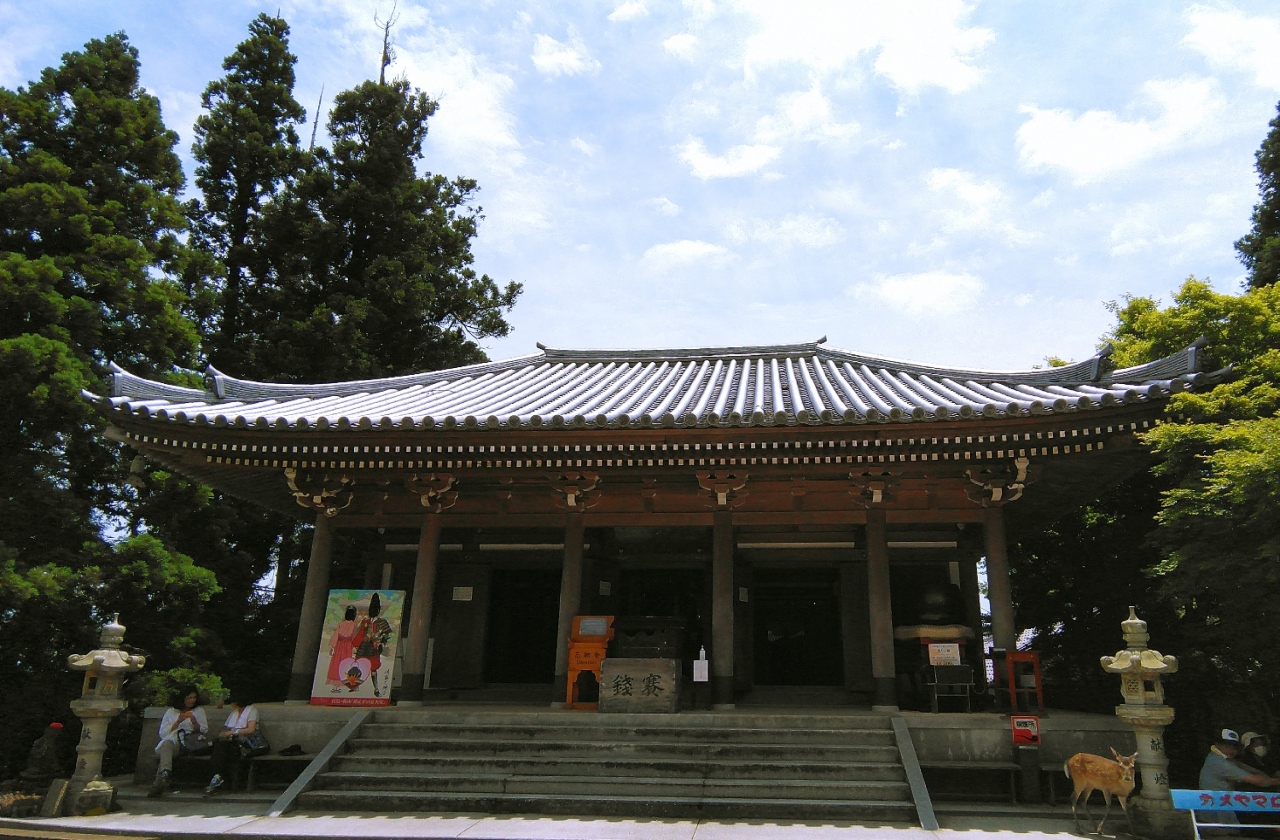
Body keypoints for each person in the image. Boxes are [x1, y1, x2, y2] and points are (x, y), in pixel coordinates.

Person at [1197, 729, 1280, 829]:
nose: (1234, 750)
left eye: (1235, 745)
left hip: (1225, 807)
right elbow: (1256, 780)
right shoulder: (1219, 762)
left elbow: (1252, 770)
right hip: (1216, 813)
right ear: (1219, 744)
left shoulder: (1224, 758)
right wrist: (1275, 781)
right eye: (1229, 745)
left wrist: (1266, 777)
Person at [149, 686, 208, 797]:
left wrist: (194, 721)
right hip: (172, 742)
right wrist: (178, 722)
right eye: (189, 697)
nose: (192, 700)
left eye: (194, 697)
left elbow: (203, 730)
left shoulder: (199, 711)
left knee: (166, 749)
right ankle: (164, 775)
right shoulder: (171, 712)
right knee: (167, 744)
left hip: (187, 744)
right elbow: (163, 734)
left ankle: (163, 776)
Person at [204, 692, 258, 795]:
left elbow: (251, 729)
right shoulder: (234, 713)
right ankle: (218, 776)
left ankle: (218, 777)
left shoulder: (252, 711)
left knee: (222, 749)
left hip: (244, 742)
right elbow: (228, 728)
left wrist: (234, 732)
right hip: (230, 742)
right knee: (220, 748)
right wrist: (225, 734)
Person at [352, 593, 392, 698]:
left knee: (373, 669)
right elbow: (361, 633)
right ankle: (355, 685)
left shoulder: (382, 622)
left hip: (374, 647)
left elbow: (387, 635)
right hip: (364, 645)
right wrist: (355, 644)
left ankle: (376, 688)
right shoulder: (365, 621)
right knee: (359, 665)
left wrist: (381, 641)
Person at [325, 606, 359, 691]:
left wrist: (332, 647)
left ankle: (336, 687)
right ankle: (348, 683)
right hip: (348, 646)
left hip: (339, 645)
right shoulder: (354, 625)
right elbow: (354, 637)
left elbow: (336, 635)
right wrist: (355, 647)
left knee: (336, 663)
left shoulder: (340, 624)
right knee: (347, 664)